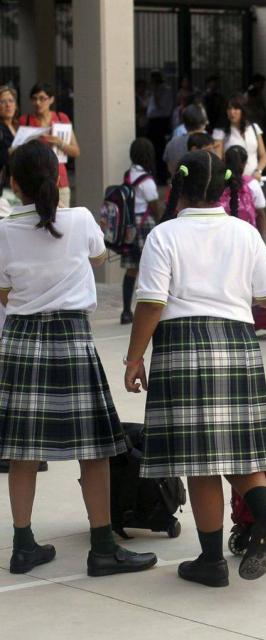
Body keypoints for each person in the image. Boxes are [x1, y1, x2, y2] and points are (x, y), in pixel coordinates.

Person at [124, 150, 266, 587]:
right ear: (224, 189)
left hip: (183, 347)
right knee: (239, 447)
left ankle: (212, 561)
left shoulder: (165, 235)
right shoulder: (245, 232)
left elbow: (153, 302)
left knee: (200, 460)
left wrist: (135, 356)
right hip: (237, 344)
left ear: (178, 185)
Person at [0, 140, 157, 577]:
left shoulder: (5, 228)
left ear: (14, 184)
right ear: (57, 175)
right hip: (71, 337)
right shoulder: (82, 219)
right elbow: (99, 256)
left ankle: (23, 545)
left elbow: (3, 293)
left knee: (22, 450)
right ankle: (103, 546)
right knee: (95, 448)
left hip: (22, 340)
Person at [120, 138, 162, 325]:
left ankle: (126, 310)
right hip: (145, 225)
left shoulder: (128, 175)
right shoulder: (147, 180)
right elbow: (153, 205)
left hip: (129, 225)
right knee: (152, 267)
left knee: (131, 269)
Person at [21, 82, 80, 208]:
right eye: (34, 98)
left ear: (51, 99)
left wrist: (60, 143)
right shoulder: (25, 120)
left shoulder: (61, 118)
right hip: (34, 181)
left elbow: (75, 151)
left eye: (42, 98)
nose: (38, 102)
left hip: (60, 180)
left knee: (62, 221)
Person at [213, 94, 266, 182]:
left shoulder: (254, 128)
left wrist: (258, 170)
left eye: (236, 108)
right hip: (232, 182)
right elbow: (218, 161)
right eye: (229, 109)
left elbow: (263, 156)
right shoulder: (220, 132)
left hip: (254, 181)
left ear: (243, 110)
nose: (232, 112)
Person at [220, 146, 266, 236]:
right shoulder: (252, 184)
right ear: (244, 164)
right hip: (247, 237)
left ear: (224, 161)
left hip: (223, 237)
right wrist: (261, 238)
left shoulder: (217, 184)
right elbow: (260, 215)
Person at [164, 103, 208, 177]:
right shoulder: (208, 143)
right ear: (202, 122)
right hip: (201, 186)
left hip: (177, 185)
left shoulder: (171, 144)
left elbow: (169, 167)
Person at [145, 72, 173, 184]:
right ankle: (155, 174)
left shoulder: (164, 90)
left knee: (160, 149)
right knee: (152, 150)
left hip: (160, 122)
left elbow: (161, 106)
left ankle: (162, 176)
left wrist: (156, 92)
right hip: (152, 122)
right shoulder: (154, 91)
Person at [0, 85, 17, 193]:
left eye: (11, 101)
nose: (8, 105)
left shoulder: (17, 126)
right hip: (4, 186)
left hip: (17, 184)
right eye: (3, 102)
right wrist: (10, 151)